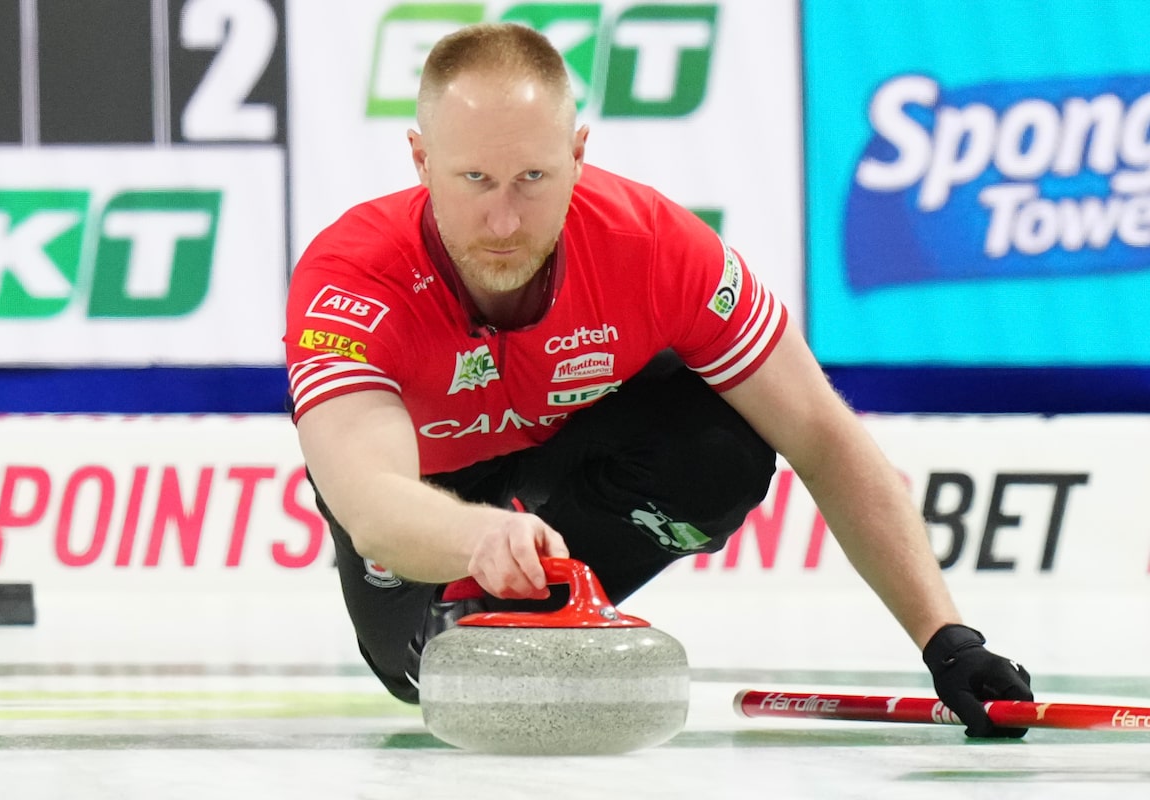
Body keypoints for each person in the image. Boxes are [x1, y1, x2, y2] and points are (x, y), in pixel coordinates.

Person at [284, 22, 1033, 737]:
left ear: (579, 153)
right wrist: (481, 537)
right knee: (417, 672)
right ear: (420, 161)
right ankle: (473, 604)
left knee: (725, 448)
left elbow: (824, 437)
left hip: (562, 466)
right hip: (426, 505)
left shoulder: (653, 245)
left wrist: (947, 639)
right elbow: (374, 505)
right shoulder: (349, 278)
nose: (505, 221)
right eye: (475, 179)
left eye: (534, 178)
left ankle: (517, 605)